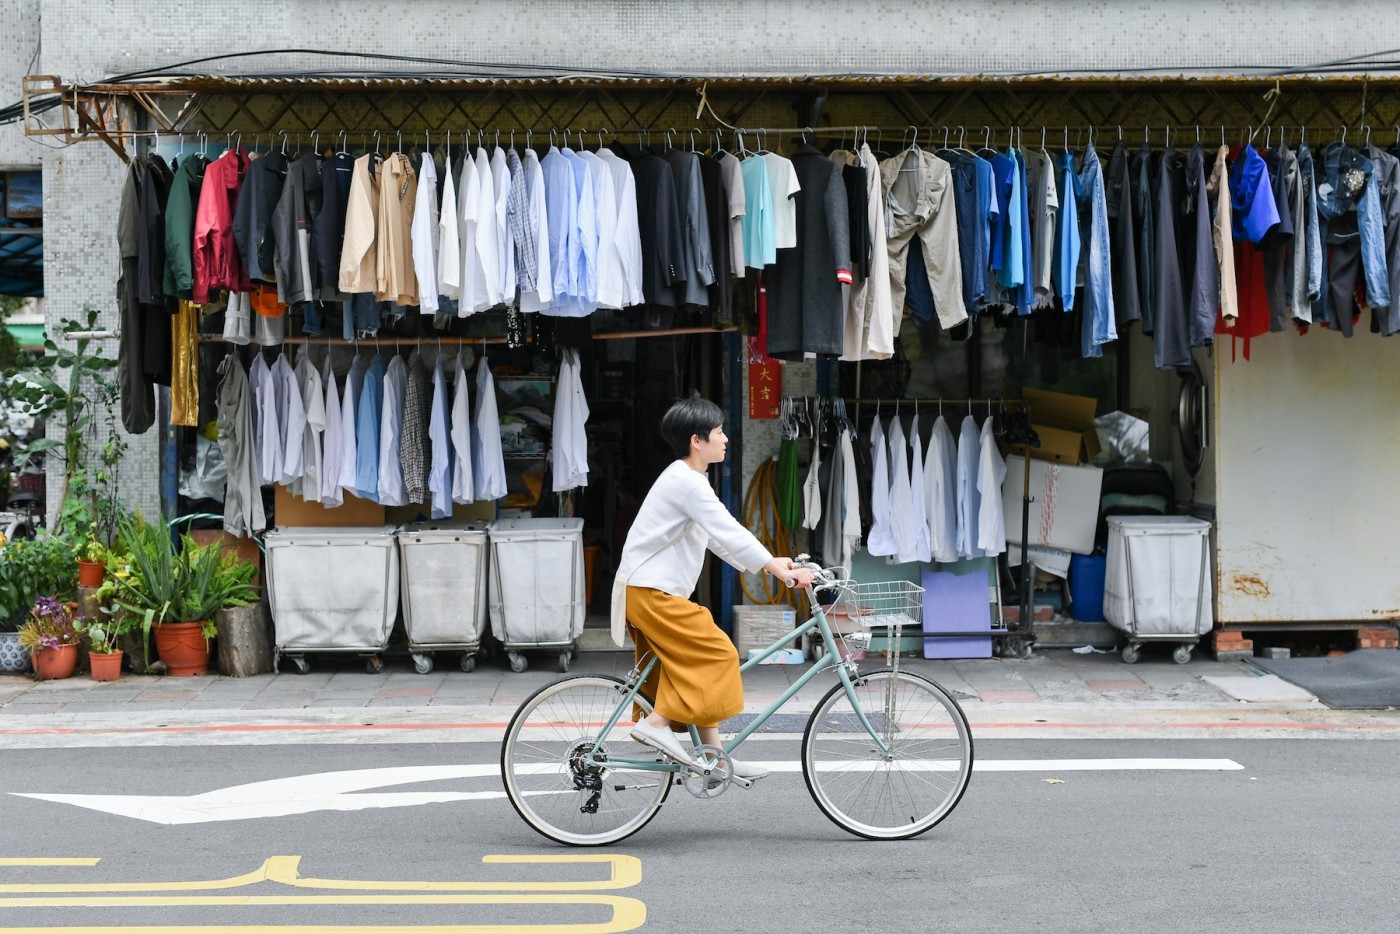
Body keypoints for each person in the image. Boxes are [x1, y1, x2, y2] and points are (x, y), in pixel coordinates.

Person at [609, 395, 815, 782]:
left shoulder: (688, 479)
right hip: (653, 595)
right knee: (718, 653)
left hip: (651, 593)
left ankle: (716, 760)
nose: (725, 439)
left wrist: (772, 564)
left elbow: (716, 539)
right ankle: (655, 725)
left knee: (690, 667)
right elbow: (727, 530)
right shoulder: (686, 482)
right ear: (696, 440)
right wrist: (773, 566)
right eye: (719, 433)